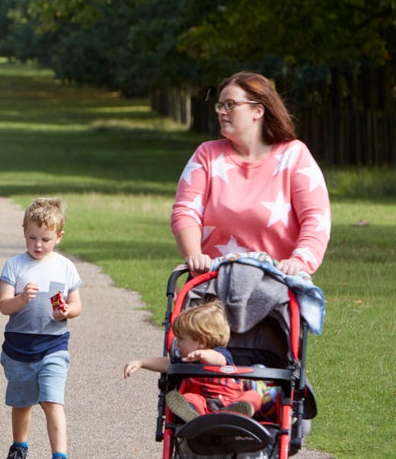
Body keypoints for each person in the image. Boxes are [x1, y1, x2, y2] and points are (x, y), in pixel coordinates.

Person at [172, 71, 331, 277]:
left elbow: (316, 218)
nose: (222, 111)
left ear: (258, 111)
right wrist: (194, 256)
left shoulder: (294, 156)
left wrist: (299, 261)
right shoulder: (206, 155)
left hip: (278, 281)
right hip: (214, 280)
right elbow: (185, 211)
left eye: (230, 105)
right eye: (220, 105)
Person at [0, 197, 82, 459]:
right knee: (22, 403)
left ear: (59, 237)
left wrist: (66, 311)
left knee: (52, 400)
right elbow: (3, 306)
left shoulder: (65, 267)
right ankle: (18, 448)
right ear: (24, 232)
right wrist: (21, 299)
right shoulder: (14, 266)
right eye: (32, 237)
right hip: (19, 346)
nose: (37, 244)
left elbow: (76, 305)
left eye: (45, 239)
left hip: (53, 345)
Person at [123, 300, 262, 423]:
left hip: (229, 400)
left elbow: (218, 361)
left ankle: (235, 412)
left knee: (253, 396)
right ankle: (193, 415)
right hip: (203, 404)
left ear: (201, 342)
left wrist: (203, 355)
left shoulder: (220, 353)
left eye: (181, 339)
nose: (177, 345)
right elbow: (166, 363)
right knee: (189, 398)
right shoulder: (186, 360)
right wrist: (141, 362)